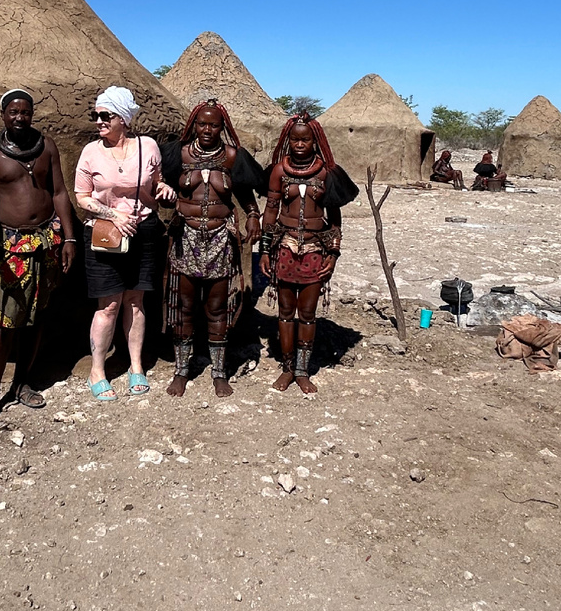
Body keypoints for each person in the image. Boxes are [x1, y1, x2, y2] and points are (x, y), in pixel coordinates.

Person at [0, 89, 77, 419]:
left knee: (36, 317)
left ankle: (22, 383)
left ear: (32, 113)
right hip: (11, 245)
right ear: (3, 114)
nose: (19, 117)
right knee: (3, 322)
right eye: (13, 112)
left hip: (46, 240)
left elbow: (59, 193)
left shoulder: (46, 147)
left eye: (25, 111)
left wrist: (70, 239)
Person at [74, 86, 175, 401]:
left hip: (144, 231)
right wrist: (112, 214)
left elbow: (156, 179)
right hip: (106, 232)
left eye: (106, 115)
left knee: (135, 301)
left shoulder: (148, 147)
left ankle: (135, 367)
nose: (99, 121)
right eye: (96, 116)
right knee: (109, 305)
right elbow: (82, 197)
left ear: (124, 119)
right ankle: (98, 370)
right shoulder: (91, 152)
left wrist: (164, 189)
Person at [160, 100, 265, 397]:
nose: (208, 130)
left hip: (220, 240)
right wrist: (165, 194)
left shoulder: (232, 157)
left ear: (223, 127)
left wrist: (254, 217)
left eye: (214, 125)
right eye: (202, 124)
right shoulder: (177, 154)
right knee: (183, 307)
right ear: (194, 124)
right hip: (185, 240)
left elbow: (245, 194)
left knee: (217, 307)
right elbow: (159, 183)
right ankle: (182, 371)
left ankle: (219, 372)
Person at [259, 113, 358, 394]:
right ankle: (288, 369)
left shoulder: (327, 173)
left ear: (316, 141)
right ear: (287, 141)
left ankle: (303, 370)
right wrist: (264, 250)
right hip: (285, 248)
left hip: (315, 249)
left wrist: (334, 254)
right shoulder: (279, 171)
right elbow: (270, 211)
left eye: (306, 139)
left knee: (308, 314)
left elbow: (335, 215)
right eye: (295, 139)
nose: (300, 144)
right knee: (285, 312)